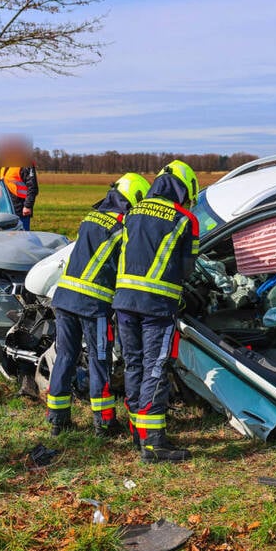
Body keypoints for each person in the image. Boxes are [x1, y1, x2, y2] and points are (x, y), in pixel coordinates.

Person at [46, 172, 151, 437]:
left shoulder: (90, 217)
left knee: (66, 357)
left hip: (65, 297)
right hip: (93, 304)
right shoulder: (122, 227)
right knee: (99, 359)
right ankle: (103, 423)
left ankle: (57, 420)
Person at [112, 160, 199, 463]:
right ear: (184, 189)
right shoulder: (185, 218)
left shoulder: (131, 213)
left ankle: (139, 433)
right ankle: (155, 444)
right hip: (157, 305)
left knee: (134, 365)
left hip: (123, 302)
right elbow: (188, 269)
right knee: (156, 367)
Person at [0, 135, 39, 230]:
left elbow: (33, 187)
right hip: (6, 208)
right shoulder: (5, 166)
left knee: (23, 236)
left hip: (21, 209)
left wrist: (27, 206)